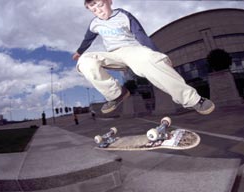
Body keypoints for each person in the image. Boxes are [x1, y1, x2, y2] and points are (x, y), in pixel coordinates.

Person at [73, 0, 215, 115]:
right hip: (113, 55)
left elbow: (141, 34)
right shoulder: (94, 24)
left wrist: (158, 54)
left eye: (100, 5)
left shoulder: (123, 15)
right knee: (85, 61)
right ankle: (116, 95)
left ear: (109, 1)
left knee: (148, 60)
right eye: (94, 9)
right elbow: (88, 39)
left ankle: (193, 100)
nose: (99, 11)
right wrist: (79, 52)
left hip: (132, 50)